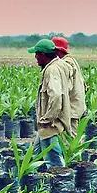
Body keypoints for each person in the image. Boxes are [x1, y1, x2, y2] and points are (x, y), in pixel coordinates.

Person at [30, 38, 71, 167]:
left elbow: (56, 95)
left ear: (43, 55)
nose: (35, 57)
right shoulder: (61, 65)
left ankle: (60, 183)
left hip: (51, 125)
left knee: (54, 161)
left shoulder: (51, 70)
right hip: (51, 123)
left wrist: (48, 118)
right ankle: (37, 181)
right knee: (37, 155)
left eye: (37, 54)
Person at [53, 36, 87, 134]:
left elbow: (67, 87)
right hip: (75, 107)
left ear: (57, 51)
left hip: (71, 109)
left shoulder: (66, 64)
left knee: (70, 140)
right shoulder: (71, 61)